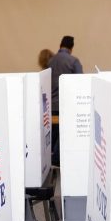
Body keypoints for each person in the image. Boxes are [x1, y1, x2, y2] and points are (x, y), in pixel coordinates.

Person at [46, 36, 83, 166]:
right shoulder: (73, 61)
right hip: (65, 106)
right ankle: (58, 160)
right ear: (71, 48)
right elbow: (80, 83)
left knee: (53, 137)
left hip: (50, 106)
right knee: (64, 136)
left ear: (60, 44)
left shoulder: (50, 61)